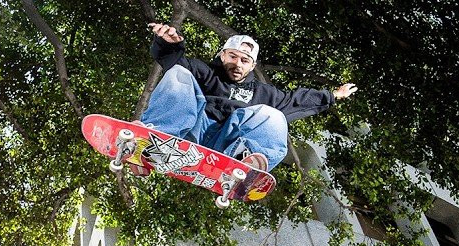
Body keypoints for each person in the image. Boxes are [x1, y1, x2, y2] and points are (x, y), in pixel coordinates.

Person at [141, 23, 358, 171]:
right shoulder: (203, 71)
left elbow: (296, 100)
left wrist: (332, 95)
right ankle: (158, 138)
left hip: (227, 144)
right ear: (222, 54)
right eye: (233, 56)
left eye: (244, 61)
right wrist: (168, 44)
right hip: (192, 130)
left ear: (252, 66)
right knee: (179, 74)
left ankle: (246, 162)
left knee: (273, 116)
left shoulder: (263, 93)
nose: (237, 64)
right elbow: (171, 62)